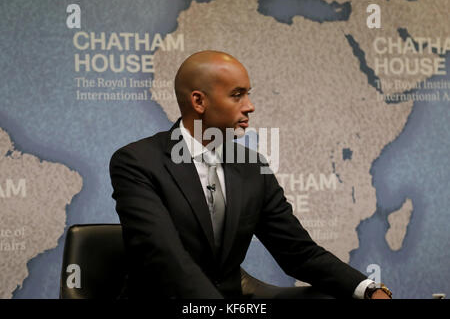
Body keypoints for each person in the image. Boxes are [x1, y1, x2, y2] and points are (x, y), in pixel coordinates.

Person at [109, 50, 392, 299]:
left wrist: (368, 289)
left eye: (248, 94)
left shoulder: (252, 166)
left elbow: (298, 252)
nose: (249, 106)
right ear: (198, 101)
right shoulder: (138, 162)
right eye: (237, 95)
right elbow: (166, 258)